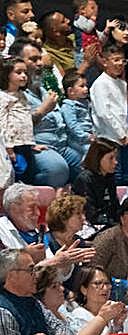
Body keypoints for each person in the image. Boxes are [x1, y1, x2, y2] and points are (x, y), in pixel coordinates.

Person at [0, 53, 71, 187]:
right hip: (12, 147)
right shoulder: (3, 97)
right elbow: (3, 125)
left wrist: (31, 144)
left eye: (25, 72)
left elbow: (25, 122)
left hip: (25, 144)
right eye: (18, 72)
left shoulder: (22, 95)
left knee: (29, 174)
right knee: (17, 174)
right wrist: (9, 149)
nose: (24, 76)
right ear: (6, 74)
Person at [0, 248, 51, 335]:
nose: (36, 275)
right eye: (31, 270)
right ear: (12, 276)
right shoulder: (3, 311)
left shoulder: (35, 302)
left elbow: (65, 330)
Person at [72, 138, 120, 230]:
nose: (116, 162)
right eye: (111, 158)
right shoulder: (84, 180)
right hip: (90, 227)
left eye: (116, 158)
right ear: (98, 158)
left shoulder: (110, 178)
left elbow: (115, 207)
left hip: (109, 225)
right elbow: (90, 214)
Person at [64, 266, 126, 335]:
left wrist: (117, 325)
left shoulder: (112, 314)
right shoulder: (79, 315)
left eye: (107, 283)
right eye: (97, 283)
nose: (105, 288)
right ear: (84, 289)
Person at [90, 43, 128, 147]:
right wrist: (120, 134)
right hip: (107, 137)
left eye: (123, 60)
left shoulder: (122, 83)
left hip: (122, 136)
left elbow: (123, 111)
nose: (120, 63)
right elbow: (103, 113)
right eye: (116, 60)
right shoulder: (101, 83)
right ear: (105, 62)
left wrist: (127, 133)